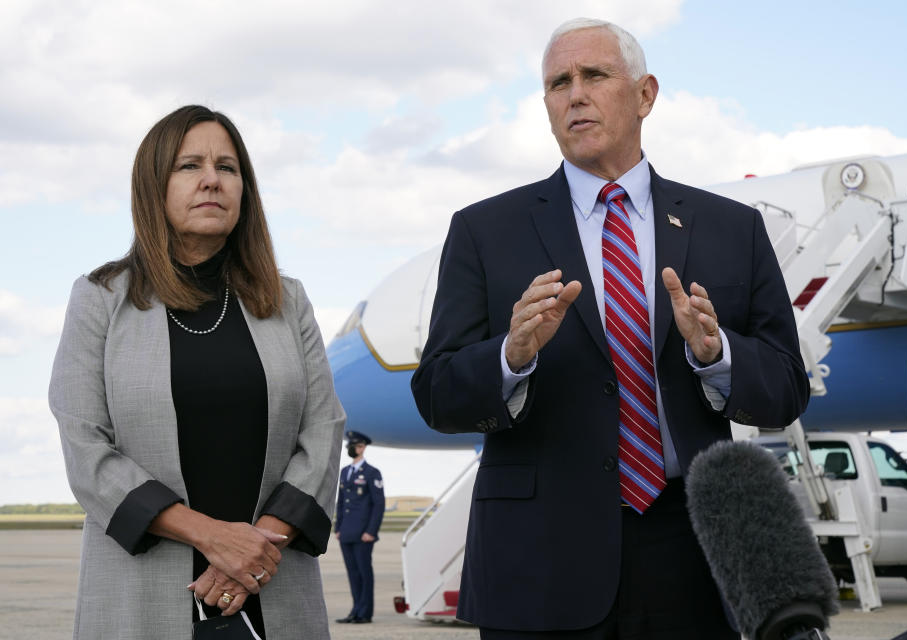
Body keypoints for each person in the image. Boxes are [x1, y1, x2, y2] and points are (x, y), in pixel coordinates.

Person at [411, 18, 810, 639]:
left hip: (695, 555)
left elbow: (787, 388)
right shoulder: (485, 232)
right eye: (557, 83)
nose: (574, 95)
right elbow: (436, 392)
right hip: (540, 559)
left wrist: (717, 355)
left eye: (594, 75)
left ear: (646, 94)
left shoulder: (732, 229)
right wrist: (510, 358)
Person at [49, 105, 345, 639]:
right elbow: (87, 450)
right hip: (139, 597)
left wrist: (254, 548)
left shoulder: (287, 301)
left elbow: (323, 431)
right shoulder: (99, 299)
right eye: (189, 166)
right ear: (152, 186)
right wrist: (213, 538)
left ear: (244, 190)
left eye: (227, 167)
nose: (212, 179)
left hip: (269, 581)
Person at [334, 430, 385, 624]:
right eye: (349, 446)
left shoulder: (372, 473)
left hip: (364, 533)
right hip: (346, 532)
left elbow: (378, 504)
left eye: (353, 446)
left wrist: (371, 531)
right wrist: (338, 528)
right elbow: (341, 502)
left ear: (362, 447)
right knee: (353, 573)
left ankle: (365, 612)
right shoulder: (345, 472)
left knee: (364, 572)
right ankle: (355, 610)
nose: (350, 449)